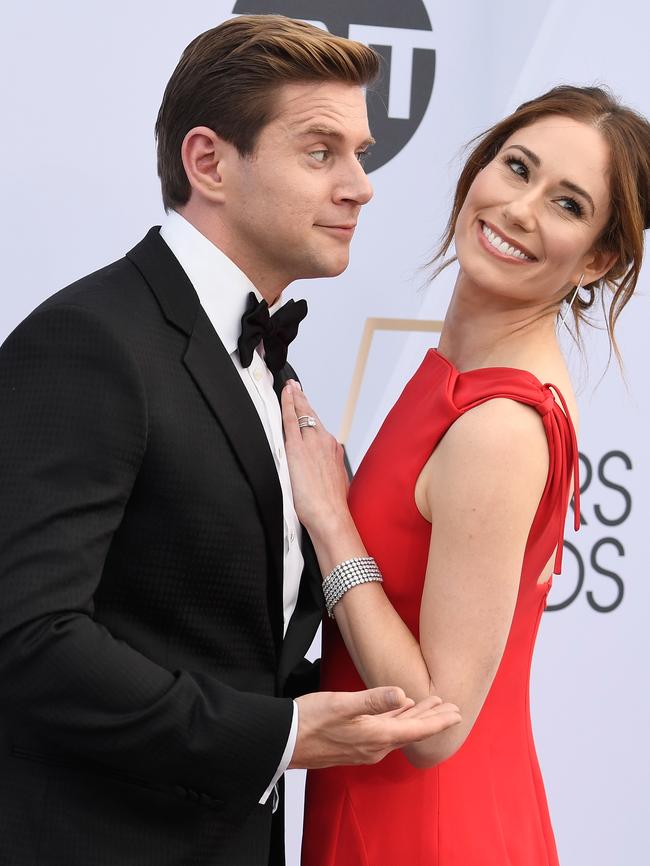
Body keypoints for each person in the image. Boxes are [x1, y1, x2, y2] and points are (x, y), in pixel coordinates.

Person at [0, 15, 461, 866]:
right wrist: (277, 736)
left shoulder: (267, 361)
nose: (361, 185)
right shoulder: (90, 342)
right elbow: (25, 639)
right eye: (322, 152)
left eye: (359, 153)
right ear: (208, 161)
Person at [282, 85, 650, 865]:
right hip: (387, 809)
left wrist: (331, 523)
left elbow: (436, 725)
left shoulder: (500, 428)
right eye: (516, 167)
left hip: (426, 831)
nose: (520, 208)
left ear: (599, 259)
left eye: (568, 204)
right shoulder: (469, 376)